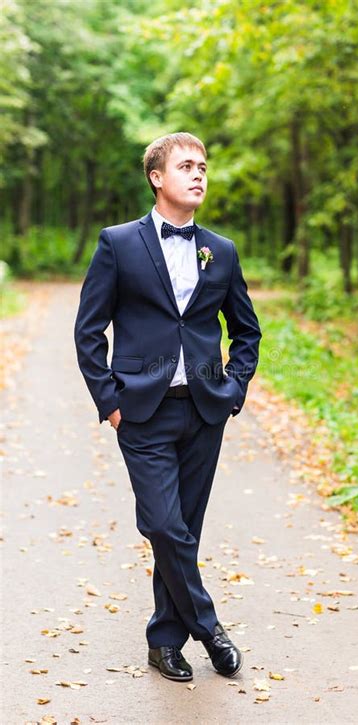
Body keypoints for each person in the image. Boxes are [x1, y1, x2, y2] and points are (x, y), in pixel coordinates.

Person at [73, 132, 262, 682]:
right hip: (143, 412)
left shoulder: (220, 250)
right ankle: (210, 628)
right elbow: (89, 330)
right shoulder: (118, 243)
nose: (198, 173)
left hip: (204, 410)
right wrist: (110, 401)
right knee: (163, 523)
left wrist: (234, 389)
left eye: (203, 166)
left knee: (184, 530)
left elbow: (246, 331)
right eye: (186, 165)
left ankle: (164, 640)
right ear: (157, 177)